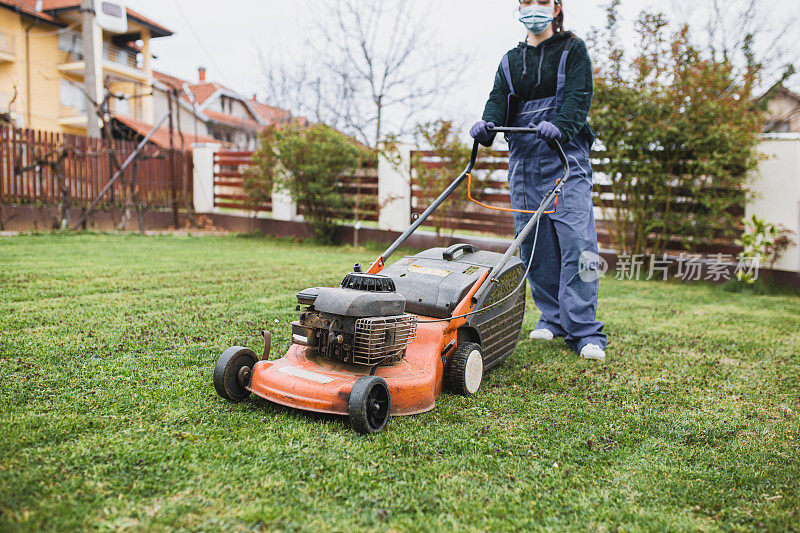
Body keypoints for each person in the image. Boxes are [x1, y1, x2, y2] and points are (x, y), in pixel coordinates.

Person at [470, 0, 607, 360]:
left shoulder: (571, 49)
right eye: (527, 2)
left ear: (556, 8)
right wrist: (487, 125)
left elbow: (580, 97)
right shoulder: (510, 61)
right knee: (533, 245)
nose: (534, 8)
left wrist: (560, 127)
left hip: (566, 160)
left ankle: (586, 330)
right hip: (524, 163)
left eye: (541, 2)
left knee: (580, 244)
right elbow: (498, 99)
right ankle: (552, 318)